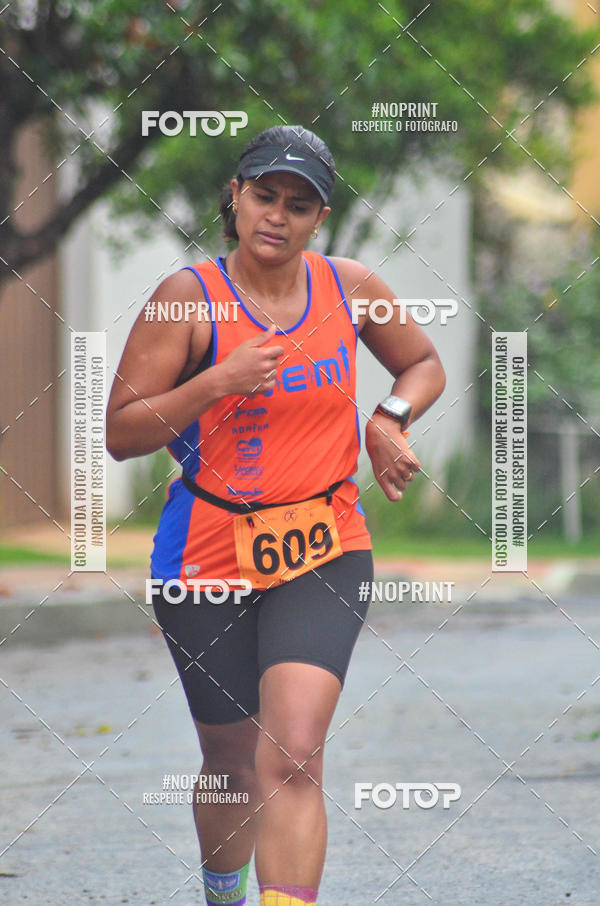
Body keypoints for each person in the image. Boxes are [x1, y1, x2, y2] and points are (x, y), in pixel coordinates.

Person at [106, 125, 445, 906]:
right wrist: (213, 382)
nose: (277, 216)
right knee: (230, 763)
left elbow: (422, 362)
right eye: (265, 196)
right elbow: (122, 433)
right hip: (205, 551)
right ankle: (222, 892)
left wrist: (389, 418)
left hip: (323, 544)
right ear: (236, 193)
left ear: (319, 219)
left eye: (299, 204)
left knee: (291, 755)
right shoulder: (187, 298)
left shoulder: (350, 287)